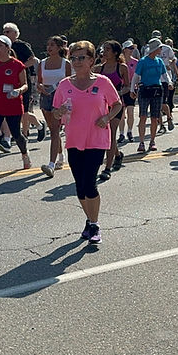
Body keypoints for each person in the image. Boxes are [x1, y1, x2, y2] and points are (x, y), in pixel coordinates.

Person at [53, 40, 123, 244]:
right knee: (80, 187)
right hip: (74, 139)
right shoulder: (65, 84)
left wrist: (107, 118)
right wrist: (60, 112)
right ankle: (89, 220)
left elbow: (117, 104)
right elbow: (56, 112)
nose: (77, 61)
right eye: (73, 58)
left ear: (92, 60)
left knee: (90, 184)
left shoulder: (102, 82)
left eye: (82, 57)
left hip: (97, 139)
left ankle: (94, 224)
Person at [0, 35, 31, 176]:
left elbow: (25, 85)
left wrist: (18, 91)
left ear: (8, 48)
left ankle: (24, 153)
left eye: (0, 46)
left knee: (16, 134)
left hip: (13, 104)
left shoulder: (17, 65)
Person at [2, 23, 46, 143]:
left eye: (8, 31)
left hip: (22, 81)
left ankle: (33, 129)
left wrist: (18, 68)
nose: (5, 33)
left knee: (23, 111)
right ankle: (8, 137)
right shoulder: (2, 47)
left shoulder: (22, 46)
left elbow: (33, 60)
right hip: (7, 82)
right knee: (8, 110)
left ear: (15, 33)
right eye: (4, 31)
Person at [95, 39, 129, 180]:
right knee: (105, 135)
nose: (105, 51)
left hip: (116, 105)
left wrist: (117, 94)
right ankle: (118, 155)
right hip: (102, 106)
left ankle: (107, 168)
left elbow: (127, 86)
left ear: (115, 52)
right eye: (104, 49)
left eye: (108, 49)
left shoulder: (122, 68)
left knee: (111, 134)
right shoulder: (98, 69)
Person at [37, 36, 71, 177]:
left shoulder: (66, 63)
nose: (49, 47)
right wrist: (40, 87)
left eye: (52, 45)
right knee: (52, 129)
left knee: (55, 130)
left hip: (60, 98)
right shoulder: (42, 63)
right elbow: (38, 82)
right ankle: (60, 155)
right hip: (46, 97)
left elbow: (69, 82)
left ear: (59, 48)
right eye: (48, 45)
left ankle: (51, 164)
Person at [132, 38, 167, 152]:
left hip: (156, 89)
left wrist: (170, 82)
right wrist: (133, 89)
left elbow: (164, 74)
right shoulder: (143, 61)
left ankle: (152, 141)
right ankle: (141, 142)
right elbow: (136, 76)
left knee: (154, 117)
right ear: (155, 49)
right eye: (160, 47)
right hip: (145, 90)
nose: (161, 49)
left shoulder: (159, 61)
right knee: (143, 116)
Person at [120, 40, 139, 143]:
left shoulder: (135, 62)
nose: (132, 50)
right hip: (122, 89)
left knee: (130, 112)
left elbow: (138, 76)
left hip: (132, 88)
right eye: (130, 48)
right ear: (124, 50)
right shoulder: (120, 62)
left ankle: (130, 131)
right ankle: (122, 133)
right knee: (122, 113)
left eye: (133, 48)